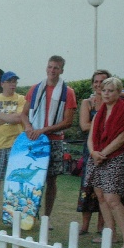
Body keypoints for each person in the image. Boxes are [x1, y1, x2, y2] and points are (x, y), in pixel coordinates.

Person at [19, 55, 77, 220]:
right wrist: (29, 127)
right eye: (50, 67)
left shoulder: (68, 92)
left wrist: (44, 129)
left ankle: (46, 217)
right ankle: (27, 213)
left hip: (54, 139)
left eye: (56, 68)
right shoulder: (35, 89)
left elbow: (68, 121)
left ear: (61, 70)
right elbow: (23, 114)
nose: (52, 70)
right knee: (30, 177)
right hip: (34, 138)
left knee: (51, 180)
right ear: (46, 68)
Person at [86, 77, 124, 248]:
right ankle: (111, 233)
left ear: (118, 92)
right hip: (97, 156)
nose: (106, 93)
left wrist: (103, 153)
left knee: (112, 198)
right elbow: (91, 134)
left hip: (114, 156)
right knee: (100, 196)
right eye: (104, 90)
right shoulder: (101, 111)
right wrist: (93, 152)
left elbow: (122, 137)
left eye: (111, 91)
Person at [0, 71, 26, 212]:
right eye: (10, 82)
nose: (13, 85)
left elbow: (19, 118)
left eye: (15, 82)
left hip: (16, 145)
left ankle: (13, 211)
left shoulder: (21, 99)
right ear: (2, 84)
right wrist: (9, 117)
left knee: (15, 180)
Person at [77, 70, 111, 234]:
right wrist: (106, 123)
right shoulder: (87, 103)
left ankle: (101, 226)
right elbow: (84, 126)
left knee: (104, 188)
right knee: (88, 186)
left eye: (102, 81)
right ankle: (84, 225)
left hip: (108, 149)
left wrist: (96, 123)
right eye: (96, 82)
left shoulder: (113, 102)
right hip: (90, 149)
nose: (98, 85)